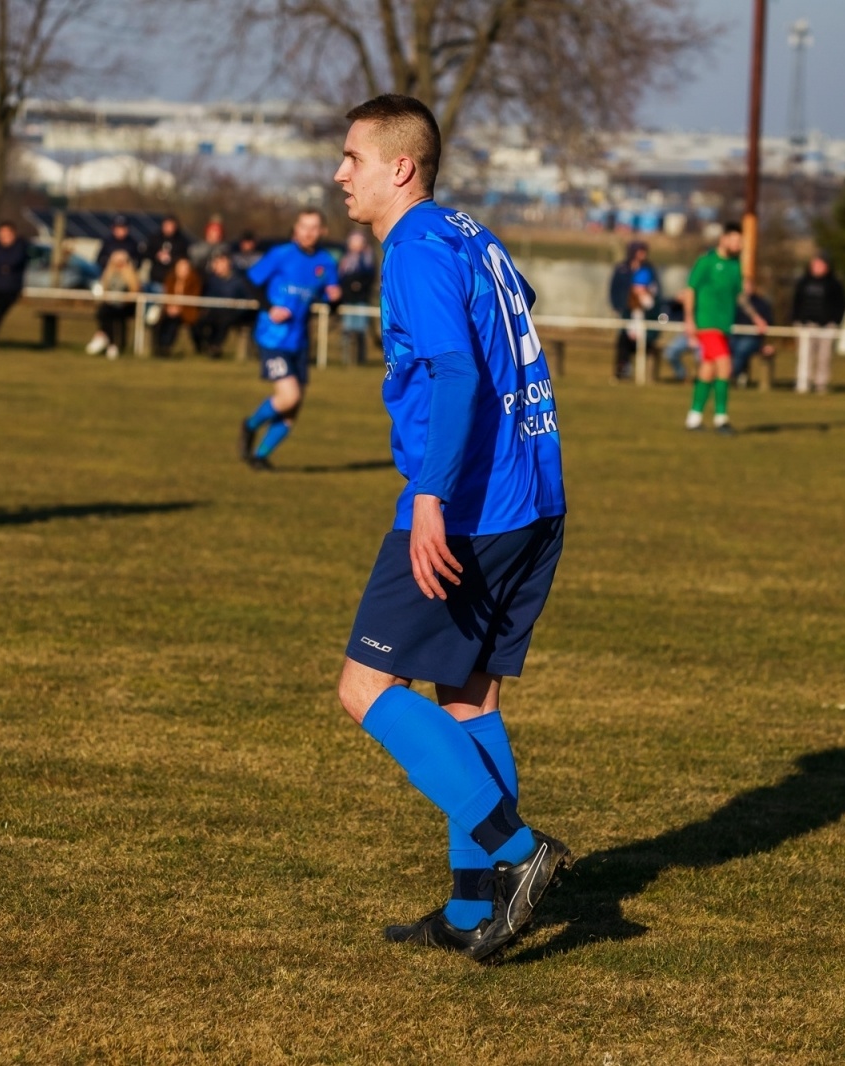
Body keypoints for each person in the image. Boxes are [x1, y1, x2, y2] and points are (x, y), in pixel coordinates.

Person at [332, 93, 569, 961]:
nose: (339, 173)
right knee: (469, 696)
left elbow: (461, 371)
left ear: (402, 167)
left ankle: (521, 854)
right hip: (536, 494)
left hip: (472, 504)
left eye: (352, 157)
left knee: (364, 689)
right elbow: (514, 312)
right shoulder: (470, 234)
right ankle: (476, 913)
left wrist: (431, 497)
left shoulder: (415, 249)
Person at [237, 209, 341, 468]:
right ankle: (249, 425)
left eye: (314, 227)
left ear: (322, 231)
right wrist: (270, 307)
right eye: (304, 226)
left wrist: (336, 298)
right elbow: (250, 282)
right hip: (273, 338)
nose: (308, 232)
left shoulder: (326, 262)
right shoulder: (281, 254)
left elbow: (330, 301)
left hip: (300, 341)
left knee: (292, 411)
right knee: (289, 396)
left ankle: (260, 456)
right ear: (295, 229)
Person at [683, 222, 767, 434]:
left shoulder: (734, 266)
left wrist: (756, 317)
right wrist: (689, 320)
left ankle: (694, 417)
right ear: (724, 239)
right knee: (725, 365)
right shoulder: (706, 262)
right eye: (736, 240)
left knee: (708, 369)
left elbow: (740, 296)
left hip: (723, 324)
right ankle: (721, 418)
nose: (739, 245)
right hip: (707, 323)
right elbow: (690, 290)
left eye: (741, 242)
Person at [790, 253, 845, 394]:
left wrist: (835, 321)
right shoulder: (803, 282)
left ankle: (820, 384)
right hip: (806, 324)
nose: (817, 267)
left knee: (824, 357)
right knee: (805, 355)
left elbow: (841, 305)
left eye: (820, 265)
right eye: (815, 264)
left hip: (827, 326)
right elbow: (796, 303)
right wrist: (796, 320)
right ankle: (803, 382)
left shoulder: (834, 284)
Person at [610, 240, 660, 381]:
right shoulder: (622, 268)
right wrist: (617, 306)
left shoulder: (649, 269)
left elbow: (655, 295)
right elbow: (614, 289)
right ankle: (621, 370)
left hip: (645, 321)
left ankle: (641, 374)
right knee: (622, 341)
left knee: (640, 342)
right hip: (627, 314)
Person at [0, 221, 30, 346]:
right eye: (1, 234)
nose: (3, 237)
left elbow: (13, 262)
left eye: (6, 233)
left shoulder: (20, 247)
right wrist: (1, 267)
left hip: (10, 288)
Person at [193, 251, 249, 359]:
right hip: (213, 311)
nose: (218, 266)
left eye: (221, 263)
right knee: (198, 322)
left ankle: (215, 347)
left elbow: (247, 298)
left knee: (223, 321)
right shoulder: (211, 280)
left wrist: (238, 308)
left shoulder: (239, 281)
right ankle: (206, 346)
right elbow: (206, 296)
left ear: (229, 264)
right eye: (217, 263)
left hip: (231, 313)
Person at [86, 249, 140, 358]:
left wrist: (124, 300)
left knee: (116, 316)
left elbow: (134, 292)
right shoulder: (108, 273)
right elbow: (104, 289)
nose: (119, 264)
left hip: (126, 305)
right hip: (110, 304)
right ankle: (109, 341)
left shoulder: (131, 274)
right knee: (104, 312)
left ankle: (113, 342)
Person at [337, 230, 377, 365]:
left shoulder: (368, 258)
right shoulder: (345, 259)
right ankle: (346, 359)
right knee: (347, 331)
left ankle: (360, 359)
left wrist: (359, 285)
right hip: (348, 299)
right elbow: (342, 277)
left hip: (361, 299)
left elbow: (370, 277)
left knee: (361, 331)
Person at [155, 256, 201, 357]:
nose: (182, 271)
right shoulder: (170, 279)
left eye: (185, 268)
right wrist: (169, 307)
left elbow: (194, 297)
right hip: (170, 310)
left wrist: (179, 308)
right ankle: (161, 347)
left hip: (187, 311)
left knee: (173, 322)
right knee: (163, 321)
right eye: (179, 268)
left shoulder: (194, 281)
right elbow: (166, 295)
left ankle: (167, 347)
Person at [729, 289, 774, 387]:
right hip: (734, 336)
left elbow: (769, 324)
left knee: (742, 348)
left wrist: (769, 343)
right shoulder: (733, 302)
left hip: (753, 338)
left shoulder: (761, 303)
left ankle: (728, 375)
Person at [144, 215, 192, 282]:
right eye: (166, 226)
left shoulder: (182, 241)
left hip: (174, 277)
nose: (168, 228)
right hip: (156, 275)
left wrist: (172, 258)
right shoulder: (155, 238)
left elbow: (184, 257)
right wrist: (157, 255)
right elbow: (146, 253)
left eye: (170, 226)